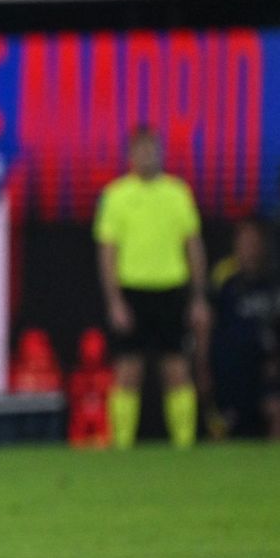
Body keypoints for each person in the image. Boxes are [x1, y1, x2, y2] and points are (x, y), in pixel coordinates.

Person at [94, 127, 208, 449]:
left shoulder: (177, 193)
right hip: (133, 292)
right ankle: (122, 446)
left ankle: (184, 445)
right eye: (140, 150)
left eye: (152, 149)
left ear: (161, 152)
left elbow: (193, 246)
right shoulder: (116, 195)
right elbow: (107, 252)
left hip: (171, 289)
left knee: (176, 369)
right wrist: (115, 301)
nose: (147, 156)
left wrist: (198, 298)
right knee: (128, 371)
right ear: (130, 155)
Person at [206, 219, 280, 439]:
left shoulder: (273, 281)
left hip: (265, 369)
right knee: (224, 424)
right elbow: (208, 322)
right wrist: (205, 364)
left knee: (277, 408)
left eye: (254, 243)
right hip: (231, 370)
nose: (249, 249)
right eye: (244, 243)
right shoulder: (225, 280)